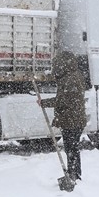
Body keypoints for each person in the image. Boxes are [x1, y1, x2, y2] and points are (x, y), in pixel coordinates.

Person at [41, 51, 89, 188]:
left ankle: (73, 174)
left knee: (71, 148)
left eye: (57, 65)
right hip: (73, 119)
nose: (55, 68)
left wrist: (45, 103)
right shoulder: (72, 76)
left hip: (72, 120)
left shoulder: (71, 79)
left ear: (64, 65)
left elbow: (64, 100)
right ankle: (74, 173)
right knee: (72, 147)